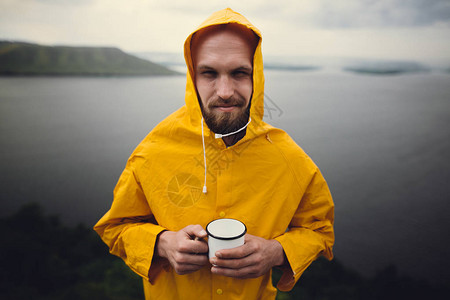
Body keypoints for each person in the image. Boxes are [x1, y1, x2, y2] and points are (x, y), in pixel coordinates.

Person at [94, 8, 334, 300]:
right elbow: (115, 227)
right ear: (192, 77)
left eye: (239, 73)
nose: (224, 91)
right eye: (209, 73)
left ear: (255, 76)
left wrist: (277, 252)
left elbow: (320, 230)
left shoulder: (288, 157)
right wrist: (161, 243)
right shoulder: (153, 150)